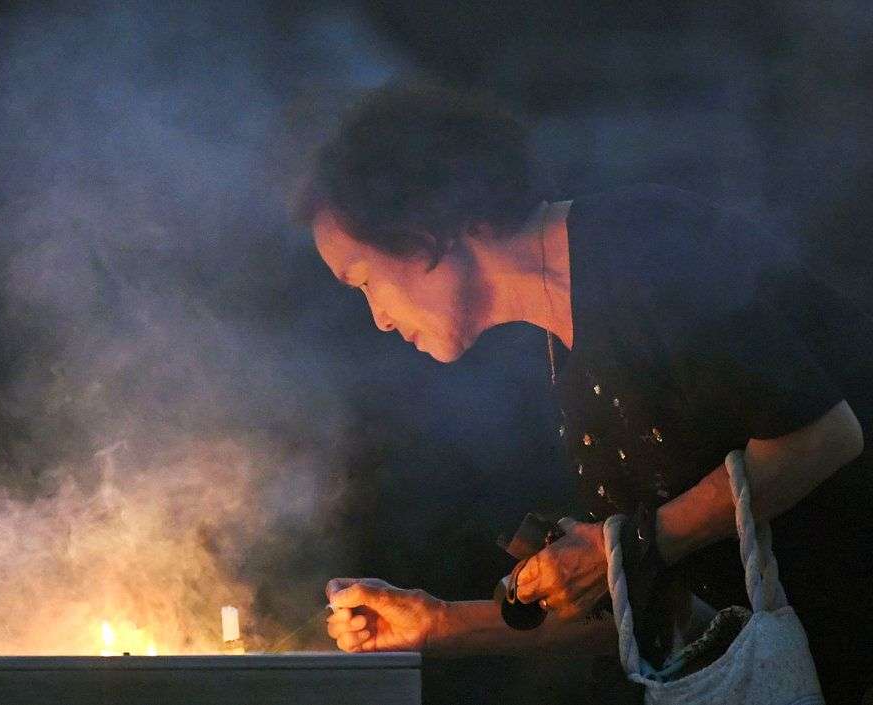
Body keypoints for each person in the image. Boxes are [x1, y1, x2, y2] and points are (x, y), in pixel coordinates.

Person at [297, 84, 873, 703]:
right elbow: (645, 601)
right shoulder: (561, 338)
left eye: (363, 281)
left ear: (426, 230)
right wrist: (439, 623)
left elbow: (824, 436)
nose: (378, 317)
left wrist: (627, 545)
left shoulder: (644, 247)